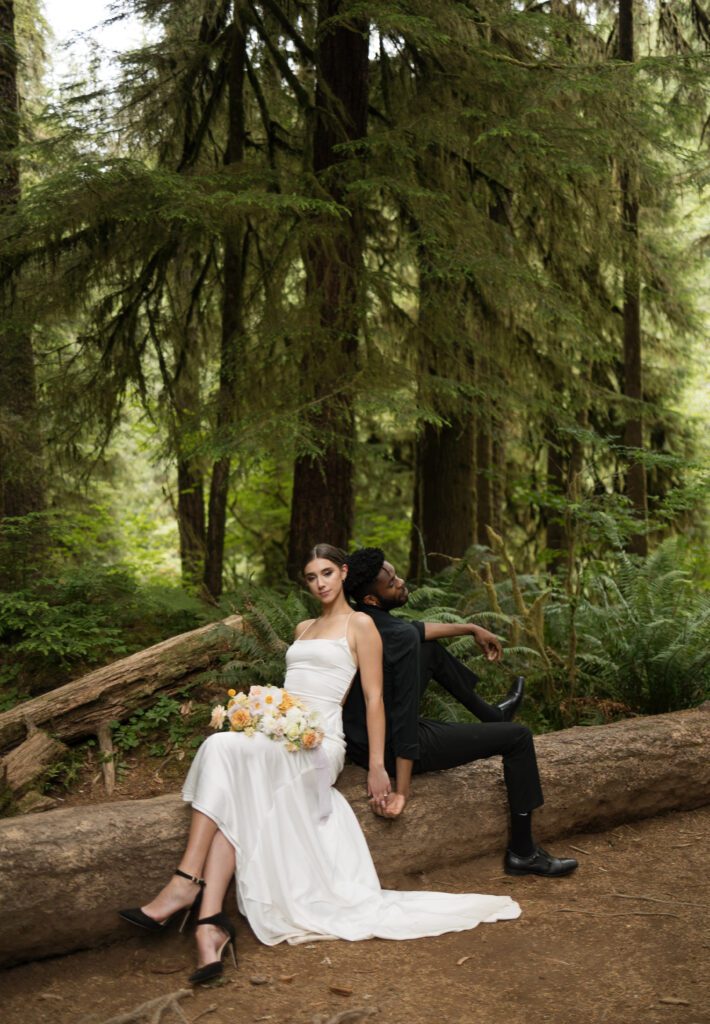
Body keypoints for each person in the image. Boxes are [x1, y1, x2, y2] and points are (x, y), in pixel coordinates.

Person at [119, 544, 521, 983]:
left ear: (344, 573)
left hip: (320, 742)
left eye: (327, 572)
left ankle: (184, 883)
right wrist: (263, 712)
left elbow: (372, 699)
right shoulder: (303, 626)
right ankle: (210, 923)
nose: (320, 583)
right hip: (281, 732)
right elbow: (293, 690)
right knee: (236, 776)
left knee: (221, 751)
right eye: (311, 577)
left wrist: (377, 767)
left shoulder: (361, 624)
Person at [342, 547, 577, 879]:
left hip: (361, 737)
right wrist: (401, 790)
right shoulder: (400, 638)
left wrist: (469, 627)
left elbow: (418, 631)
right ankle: (524, 853)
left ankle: (493, 715)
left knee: (429, 648)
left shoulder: (362, 621)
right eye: (392, 582)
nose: (401, 582)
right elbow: (407, 719)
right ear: (374, 598)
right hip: (398, 744)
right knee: (520, 738)